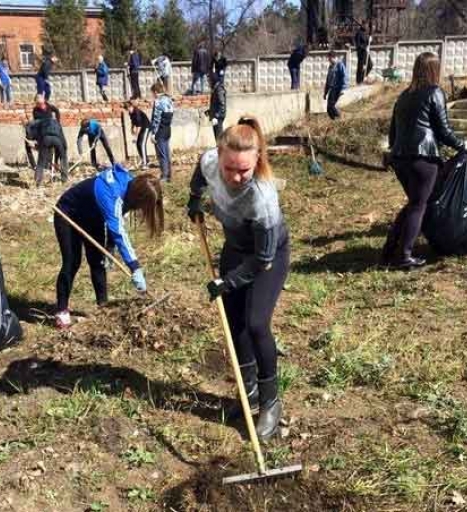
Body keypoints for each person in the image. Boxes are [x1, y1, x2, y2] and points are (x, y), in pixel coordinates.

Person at [187, 116, 290, 441]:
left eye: (243, 170)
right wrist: (194, 199)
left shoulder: (262, 197)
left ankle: (271, 403)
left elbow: (263, 258)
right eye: (229, 167)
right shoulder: (211, 162)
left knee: (256, 323)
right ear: (220, 154)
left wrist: (226, 282)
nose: (235, 176)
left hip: (266, 257)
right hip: (234, 248)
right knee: (236, 325)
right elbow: (199, 174)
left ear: (257, 159)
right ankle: (249, 395)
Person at [383, 52, 467, 269]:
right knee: (418, 205)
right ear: (434, 70)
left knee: (414, 203)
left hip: (400, 158)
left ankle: (389, 250)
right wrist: (463, 145)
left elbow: (393, 133)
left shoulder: (404, 96)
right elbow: (444, 130)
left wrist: (394, 152)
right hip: (423, 158)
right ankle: (404, 256)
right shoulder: (435, 92)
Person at [54, 165, 164, 328]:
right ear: (138, 198)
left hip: (93, 217)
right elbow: (118, 231)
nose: (142, 210)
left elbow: (116, 219)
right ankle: (62, 311)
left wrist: (110, 248)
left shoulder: (131, 186)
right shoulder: (113, 195)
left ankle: (102, 308)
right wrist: (135, 267)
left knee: (98, 262)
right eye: (143, 205)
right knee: (72, 262)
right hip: (68, 213)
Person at [150, 81, 174, 182]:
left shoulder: (158, 101)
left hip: (160, 131)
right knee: (167, 153)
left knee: (161, 154)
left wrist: (153, 133)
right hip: (167, 129)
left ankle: (164, 176)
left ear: (155, 92)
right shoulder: (169, 100)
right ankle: (169, 174)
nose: (152, 95)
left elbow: (156, 118)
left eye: (152, 93)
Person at [35, 114, 68, 185]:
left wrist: (39, 145)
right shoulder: (57, 123)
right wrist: (65, 147)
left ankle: (38, 181)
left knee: (40, 162)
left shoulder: (42, 122)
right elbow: (62, 136)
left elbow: (39, 135)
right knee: (63, 158)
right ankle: (64, 179)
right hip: (57, 140)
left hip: (45, 139)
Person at [324, 51, 348, 120]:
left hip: (337, 89)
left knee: (331, 106)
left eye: (330, 59)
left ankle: (340, 118)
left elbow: (344, 77)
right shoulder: (330, 67)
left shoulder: (340, 65)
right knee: (328, 109)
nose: (329, 60)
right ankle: (334, 121)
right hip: (332, 89)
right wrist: (325, 92)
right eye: (328, 59)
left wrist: (343, 89)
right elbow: (328, 80)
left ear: (334, 57)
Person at [127, 100, 151, 169]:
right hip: (140, 127)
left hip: (146, 127)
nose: (128, 110)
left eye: (129, 108)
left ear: (132, 106)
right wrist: (131, 129)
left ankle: (145, 164)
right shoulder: (131, 113)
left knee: (142, 144)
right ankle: (146, 160)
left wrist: (135, 136)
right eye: (127, 108)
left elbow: (139, 126)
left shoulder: (137, 112)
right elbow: (133, 122)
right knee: (138, 144)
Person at [208, 73, 227, 143]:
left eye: (209, 80)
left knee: (219, 135)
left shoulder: (219, 88)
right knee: (217, 135)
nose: (208, 82)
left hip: (218, 117)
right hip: (215, 116)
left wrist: (216, 116)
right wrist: (210, 111)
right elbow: (215, 103)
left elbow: (222, 104)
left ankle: (221, 150)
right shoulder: (215, 88)